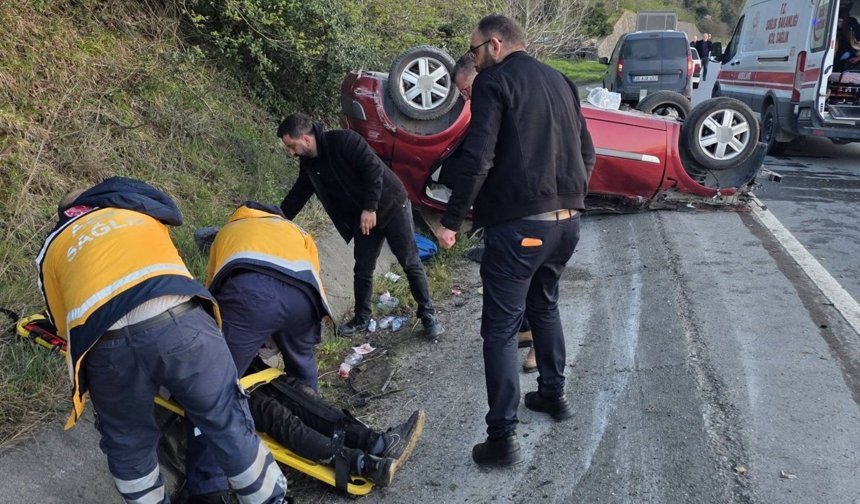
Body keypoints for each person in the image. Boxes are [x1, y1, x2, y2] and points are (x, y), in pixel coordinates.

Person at [36, 177, 287, 504]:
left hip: (106, 348)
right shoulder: (139, 212)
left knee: (128, 444)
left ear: (65, 216)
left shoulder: (53, 246)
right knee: (225, 418)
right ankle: (269, 499)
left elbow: (62, 326)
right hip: (180, 320)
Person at [435, 15, 595, 467]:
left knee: (501, 330)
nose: (477, 59)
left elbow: (479, 158)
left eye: (477, 50)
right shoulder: (560, 80)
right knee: (543, 305)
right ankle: (552, 395)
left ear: (496, 44)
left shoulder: (493, 82)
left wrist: (451, 220)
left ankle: (501, 439)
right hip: (567, 223)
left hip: (521, 226)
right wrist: (573, 198)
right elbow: (588, 151)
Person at [184, 201, 333, 499]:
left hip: (249, 295)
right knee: (303, 374)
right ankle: (325, 441)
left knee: (215, 392)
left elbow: (213, 292)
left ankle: (208, 484)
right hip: (305, 299)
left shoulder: (231, 230)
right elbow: (314, 278)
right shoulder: (297, 230)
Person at [452, 52, 537, 374]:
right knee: (502, 274)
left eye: (466, 88)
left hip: (530, 206)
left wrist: (452, 219)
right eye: (461, 93)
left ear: (480, 72)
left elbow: (480, 162)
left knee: (528, 279)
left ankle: (538, 347)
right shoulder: (489, 104)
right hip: (505, 208)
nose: (466, 96)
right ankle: (525, 330)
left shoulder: (510, 97)